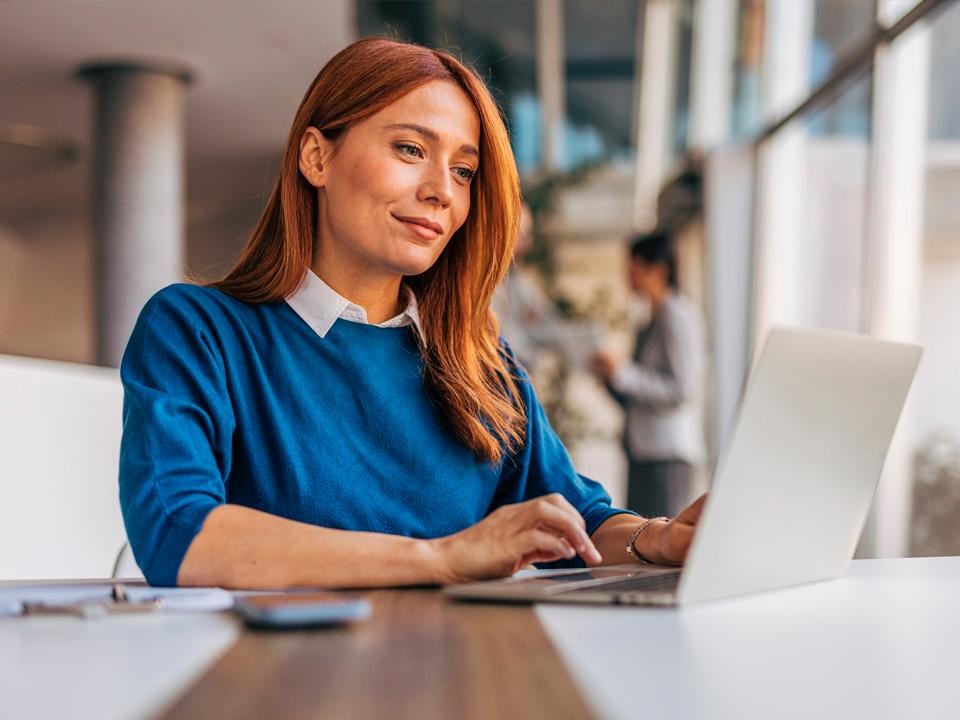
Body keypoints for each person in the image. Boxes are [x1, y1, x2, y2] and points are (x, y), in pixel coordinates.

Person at [119, 37, 705, 590]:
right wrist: (439, 558)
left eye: (463, 171)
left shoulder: (482, 367)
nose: (442, 191)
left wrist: (657, 539)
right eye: (411, 149)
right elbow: (180, 532)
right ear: (317, 157)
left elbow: (581, 521)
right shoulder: (197, 332)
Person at [591, 230, 707, 517]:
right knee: (640, 534)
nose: (627, 277)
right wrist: (611, 378)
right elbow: (637, 395)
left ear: (658, 270)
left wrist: (623, 373)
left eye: (634, 268)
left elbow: (681, 390)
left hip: (667, 456)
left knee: (662, 536)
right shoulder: (650, 320)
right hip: (643, 451)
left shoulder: (677, 316)